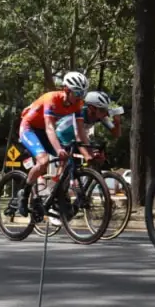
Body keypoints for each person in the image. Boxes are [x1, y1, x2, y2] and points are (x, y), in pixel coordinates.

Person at [17, 71, 91, 216]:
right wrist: (58, 150)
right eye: (77, 94)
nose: (79, 98)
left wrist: (89, 153)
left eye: (83, 94)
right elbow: (50, 127)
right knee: (43, 161)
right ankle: (24, 193)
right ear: (66, 90)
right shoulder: (52, 99)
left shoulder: (78, 104)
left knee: (68, 159)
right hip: (29, 128)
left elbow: (80, 132)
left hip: (43, 131)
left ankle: (58, 194)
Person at [54, 91, 123, 150]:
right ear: (91, 108)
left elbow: (117, 134)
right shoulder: (80, 112)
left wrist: (117, 123)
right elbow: (79, 136)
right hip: (61, 134)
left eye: (105, 109)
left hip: (75, 137)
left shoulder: (101, 116)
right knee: (66, 161)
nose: (105, 112)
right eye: (102, 110)